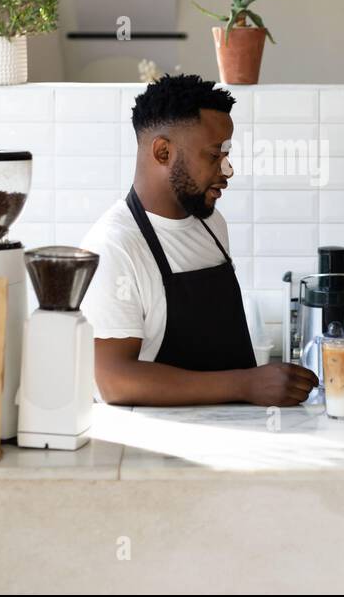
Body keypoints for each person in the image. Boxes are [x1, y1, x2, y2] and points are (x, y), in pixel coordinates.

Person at [80, 74, 318, 406]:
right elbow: (114, 381)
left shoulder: (212, 224)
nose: (227, 170)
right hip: (162, 450)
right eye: (213, 156)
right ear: (163, 152)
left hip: (232, 436)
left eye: (226, 154)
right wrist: (245, 385)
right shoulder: (114, 247)